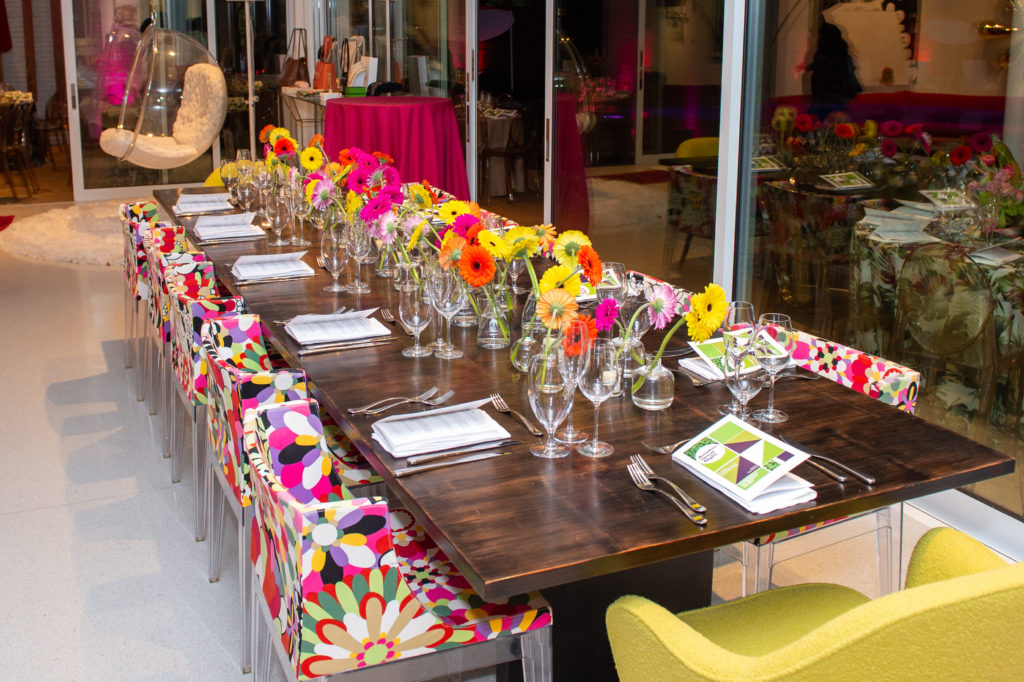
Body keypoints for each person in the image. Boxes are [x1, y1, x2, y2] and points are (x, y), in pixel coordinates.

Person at [806, 21, 861, 118]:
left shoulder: (822, 59)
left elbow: (819, 88)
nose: (811, 39)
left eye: (814, 36)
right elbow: (852, 86)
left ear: (823, 38)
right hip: (839, 106)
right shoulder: (844, 58)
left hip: (823, 107)